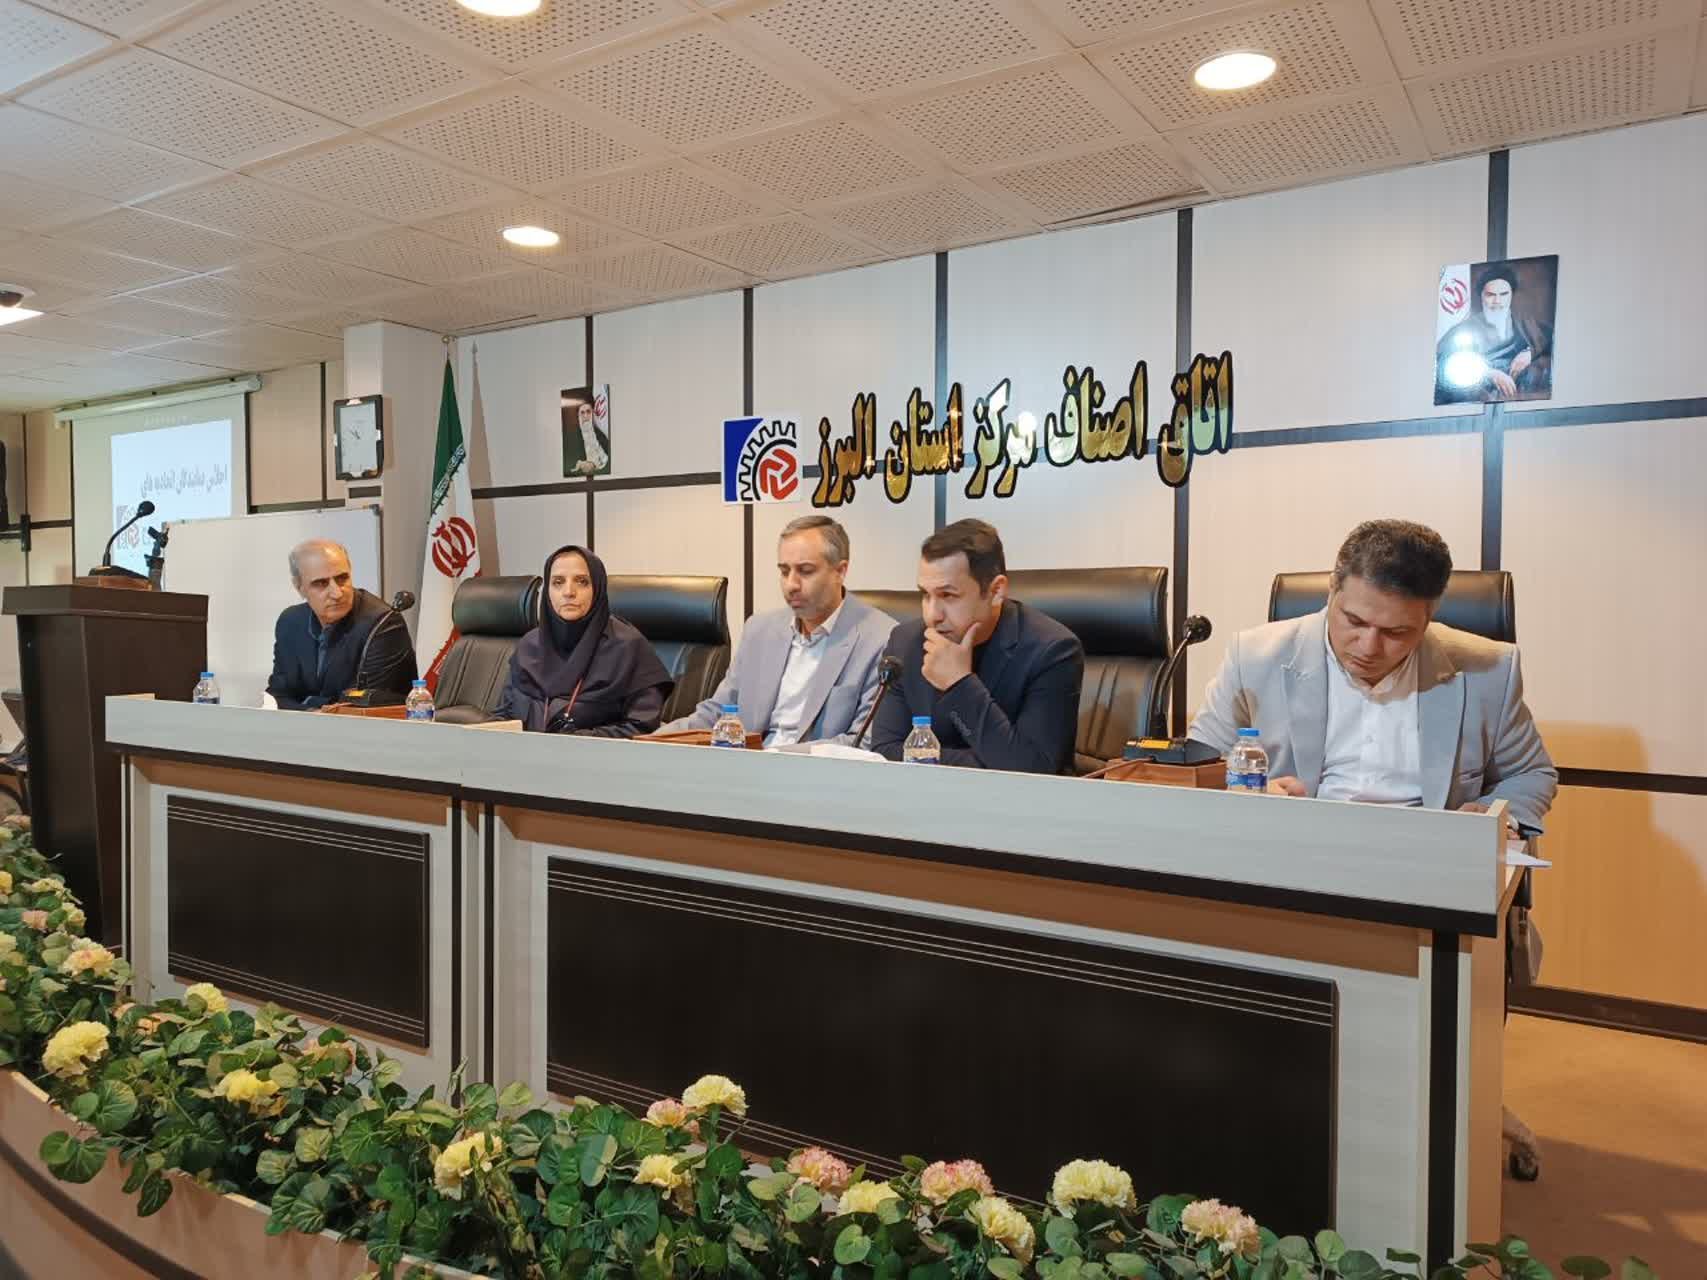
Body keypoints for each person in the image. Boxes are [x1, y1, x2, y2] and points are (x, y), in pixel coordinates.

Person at [1188, 519, 1557, 830]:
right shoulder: (1254, 657)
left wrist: (1494, 815)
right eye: (1355, 621)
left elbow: (1530, 774)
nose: (1368, 647)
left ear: (1429, 616)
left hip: (1427, 860)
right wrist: (1249, 793)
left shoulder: (1489, 671)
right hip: (1296, 850)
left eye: (1396, 632)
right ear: (1332, 590)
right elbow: (1196, 769)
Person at [657, 515, 895, 746]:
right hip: (745, 763)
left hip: (815, 768)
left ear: (840, 571)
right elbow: (718, 713)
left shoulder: (881, 639)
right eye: (784, 571)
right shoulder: (759, 630)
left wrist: (774, 756)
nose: (791, 584)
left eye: (806, 571)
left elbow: (862, 741)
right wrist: (650, 741)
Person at [869, 519, 1083, 773]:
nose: (932, 615)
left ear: (996, 591)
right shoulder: (906, 643)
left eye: (948, 595)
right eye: (925, 595)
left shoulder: (1052, 651)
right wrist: (987, 761)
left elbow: (1032, 769)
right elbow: (884, 752)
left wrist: (959, 684)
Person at [497, 545, 672, 736]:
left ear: (597, 588)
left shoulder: (628, 647)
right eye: (558, 582)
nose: (568, 592)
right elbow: (505, 716)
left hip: (596, 754)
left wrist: (578, 741)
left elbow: (642, 728)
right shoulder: (529, 646)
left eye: (582, 582)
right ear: (548, 591)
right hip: (520, 753)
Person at [267, 539, 415, 710]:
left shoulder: (383, 624)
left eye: (342, 578)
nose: (337, 593)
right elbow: (277, 697)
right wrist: (314, 711)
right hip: (307, 725)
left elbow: (365, 706)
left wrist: (309, 705)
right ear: (299, 587)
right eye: (321, 583)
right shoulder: (291, 622)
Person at [1435, 265, 1552, 403]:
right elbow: (1445, 365)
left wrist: (1529, 353)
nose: (1497, 301)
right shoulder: (1463, 330)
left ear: (1511, 295)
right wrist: (1487, 373)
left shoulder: (1524, 323)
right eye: (1490, 295)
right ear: (1481, 296)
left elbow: (1550, 340)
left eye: (1504, 294)